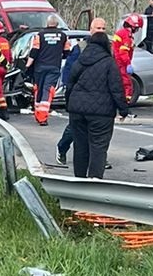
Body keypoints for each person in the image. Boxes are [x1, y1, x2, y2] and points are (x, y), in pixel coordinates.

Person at [65, 19, 130, 178]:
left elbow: (70, 84)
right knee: (98, 148)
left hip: (77, 111)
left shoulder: (80, 59)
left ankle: (79, 180)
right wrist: (123, 109)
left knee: (80, 147)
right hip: (101, 113)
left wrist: (70, 105)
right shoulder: (109, 63)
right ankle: (94, 182)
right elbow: (116, 88)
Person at [27, 15, 69, 121]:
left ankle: (38, 113)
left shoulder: (39, 35)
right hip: (54, 67)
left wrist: (27, 66)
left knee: (39, 89)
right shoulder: (63, 36)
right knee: (48, 90)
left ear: (47, 23)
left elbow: (34, 52)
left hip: (39, 67)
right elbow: (67, 52)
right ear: (57, 24)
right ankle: (42, 116)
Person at [56, 39, 83, 164]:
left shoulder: (107, 48)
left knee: (97, 130)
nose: (101, 31)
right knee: (74, 126)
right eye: (98, 28)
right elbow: (68, 70)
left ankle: (99, 158)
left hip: (98, 96)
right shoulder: (80, 48)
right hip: (79, 93)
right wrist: (69, 90)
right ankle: (62, 148)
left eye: (103, 28)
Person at [114, 13, 140, 102]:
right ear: (134, 27)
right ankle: (125, 103)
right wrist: (128, 64)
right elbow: (123, 52)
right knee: (127, 83)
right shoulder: (127, 36)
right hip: (121, 63)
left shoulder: (122, 32)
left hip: (117, 62)